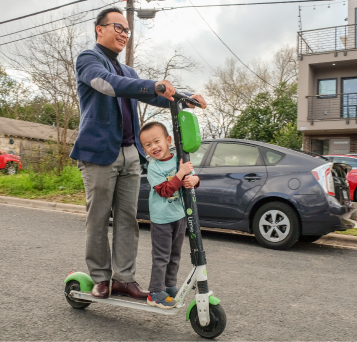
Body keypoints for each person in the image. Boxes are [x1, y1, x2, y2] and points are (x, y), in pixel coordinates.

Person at [71, 7, 206, 299]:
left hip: (130, 154)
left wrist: (184, 98)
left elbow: (154, 94)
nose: (123, 34)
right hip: (98, 154)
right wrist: (151, 84)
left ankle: (123, 278)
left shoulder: (128, 71)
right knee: (98, 219)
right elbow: (109, 86)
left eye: (127, 30)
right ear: (100, 29)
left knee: (126, 220)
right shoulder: (88, 60)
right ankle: (101, 278)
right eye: (118, 27)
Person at [139, 122, 200, 308]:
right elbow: (165, 190)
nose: (153, 147)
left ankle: (169, 286)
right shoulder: (154, 167)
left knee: (175, 255)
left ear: (168, 140)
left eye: (156, 141)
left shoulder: (179, 160)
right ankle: (155, 292)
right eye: (147, 145)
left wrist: (194, 180)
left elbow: (193, 177)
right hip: (161, 219)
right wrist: (180, 174)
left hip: (179, 216)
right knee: (162, 256)